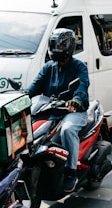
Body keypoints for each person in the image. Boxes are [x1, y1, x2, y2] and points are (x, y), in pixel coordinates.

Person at [26, 28, 90, 193]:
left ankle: (71, 171)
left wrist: (75, 101)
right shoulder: (49, 67)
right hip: (51, 110)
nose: (57, 48)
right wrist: (21, 98)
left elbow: (82, 87)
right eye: (54, 44)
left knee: (67, 131)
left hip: (73, 112)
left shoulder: (79, 67)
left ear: (69, 46)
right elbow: (34, 87)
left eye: (61, 45)